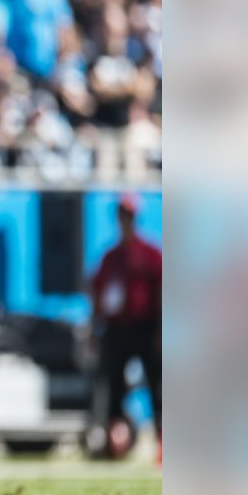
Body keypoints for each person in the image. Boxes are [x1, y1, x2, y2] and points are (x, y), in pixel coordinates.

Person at [88, 195, 161, 458]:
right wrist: (93, 329)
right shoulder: (110, 258)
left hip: (146, 326)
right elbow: (98, 295)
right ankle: (115, 441)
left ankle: (163, 442)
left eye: (129, 215)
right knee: (113, 386)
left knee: (158, 385)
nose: (125, 220)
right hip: (117, 329)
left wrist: (161, 331)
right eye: (122, 215)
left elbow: (162, 292)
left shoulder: (151, 254)